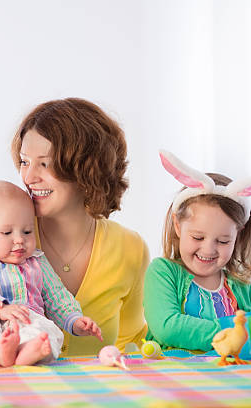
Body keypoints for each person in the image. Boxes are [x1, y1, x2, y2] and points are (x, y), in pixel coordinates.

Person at [9, 98, 149, 356]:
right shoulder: (6, 236)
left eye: (45, 163)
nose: (28, 178)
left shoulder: (130, 248)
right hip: (20, 392)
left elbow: (132, 344)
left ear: (87, 170)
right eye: (25, 162)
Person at [143, 150, 251, 351]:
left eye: (223, 241)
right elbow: (168, 327)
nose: (208, 249)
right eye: (198, 237)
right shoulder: (163, 272)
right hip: (175, 377)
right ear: (178, 226)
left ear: (237, 235)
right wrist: (236, 332)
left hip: (229, 379)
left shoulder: (244, 290)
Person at [0, 181, 102, 366]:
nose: (19, 239)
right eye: (6, 232)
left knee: (47, 331)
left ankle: (25, 353)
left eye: (27, 231)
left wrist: (75, 320)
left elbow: (56, 296)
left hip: (26, 318)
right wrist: (0, 308)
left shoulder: (37, 261)